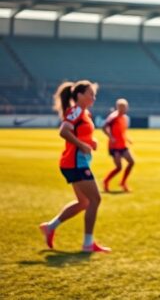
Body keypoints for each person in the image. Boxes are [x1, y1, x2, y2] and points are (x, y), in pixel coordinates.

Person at [39, 80, 111, 253]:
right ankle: (88, 244)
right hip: (74, 163)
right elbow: (64, 131)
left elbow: (79, 133)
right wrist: (81, 144)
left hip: (79, 162)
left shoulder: (85, 113)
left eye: (94, 94)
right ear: (79, 95)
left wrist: (90, 142)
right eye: (90, 94)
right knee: (95, 200)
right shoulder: (76, 110)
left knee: (84, 202)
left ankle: (50, 227)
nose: (93, 97)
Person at [102, 98, 135, 192]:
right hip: (115, 146)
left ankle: (123, 182)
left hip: (123, 145)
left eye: (125, 107)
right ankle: (106, 181)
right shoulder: (113, 117)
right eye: (122, 107)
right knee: (119, 167)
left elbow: (122, 131)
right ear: (118, 107)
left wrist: (128, 139)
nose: (124, 109)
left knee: (131, 162)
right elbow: (104, 127)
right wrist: (111, 137)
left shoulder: (125, 118)